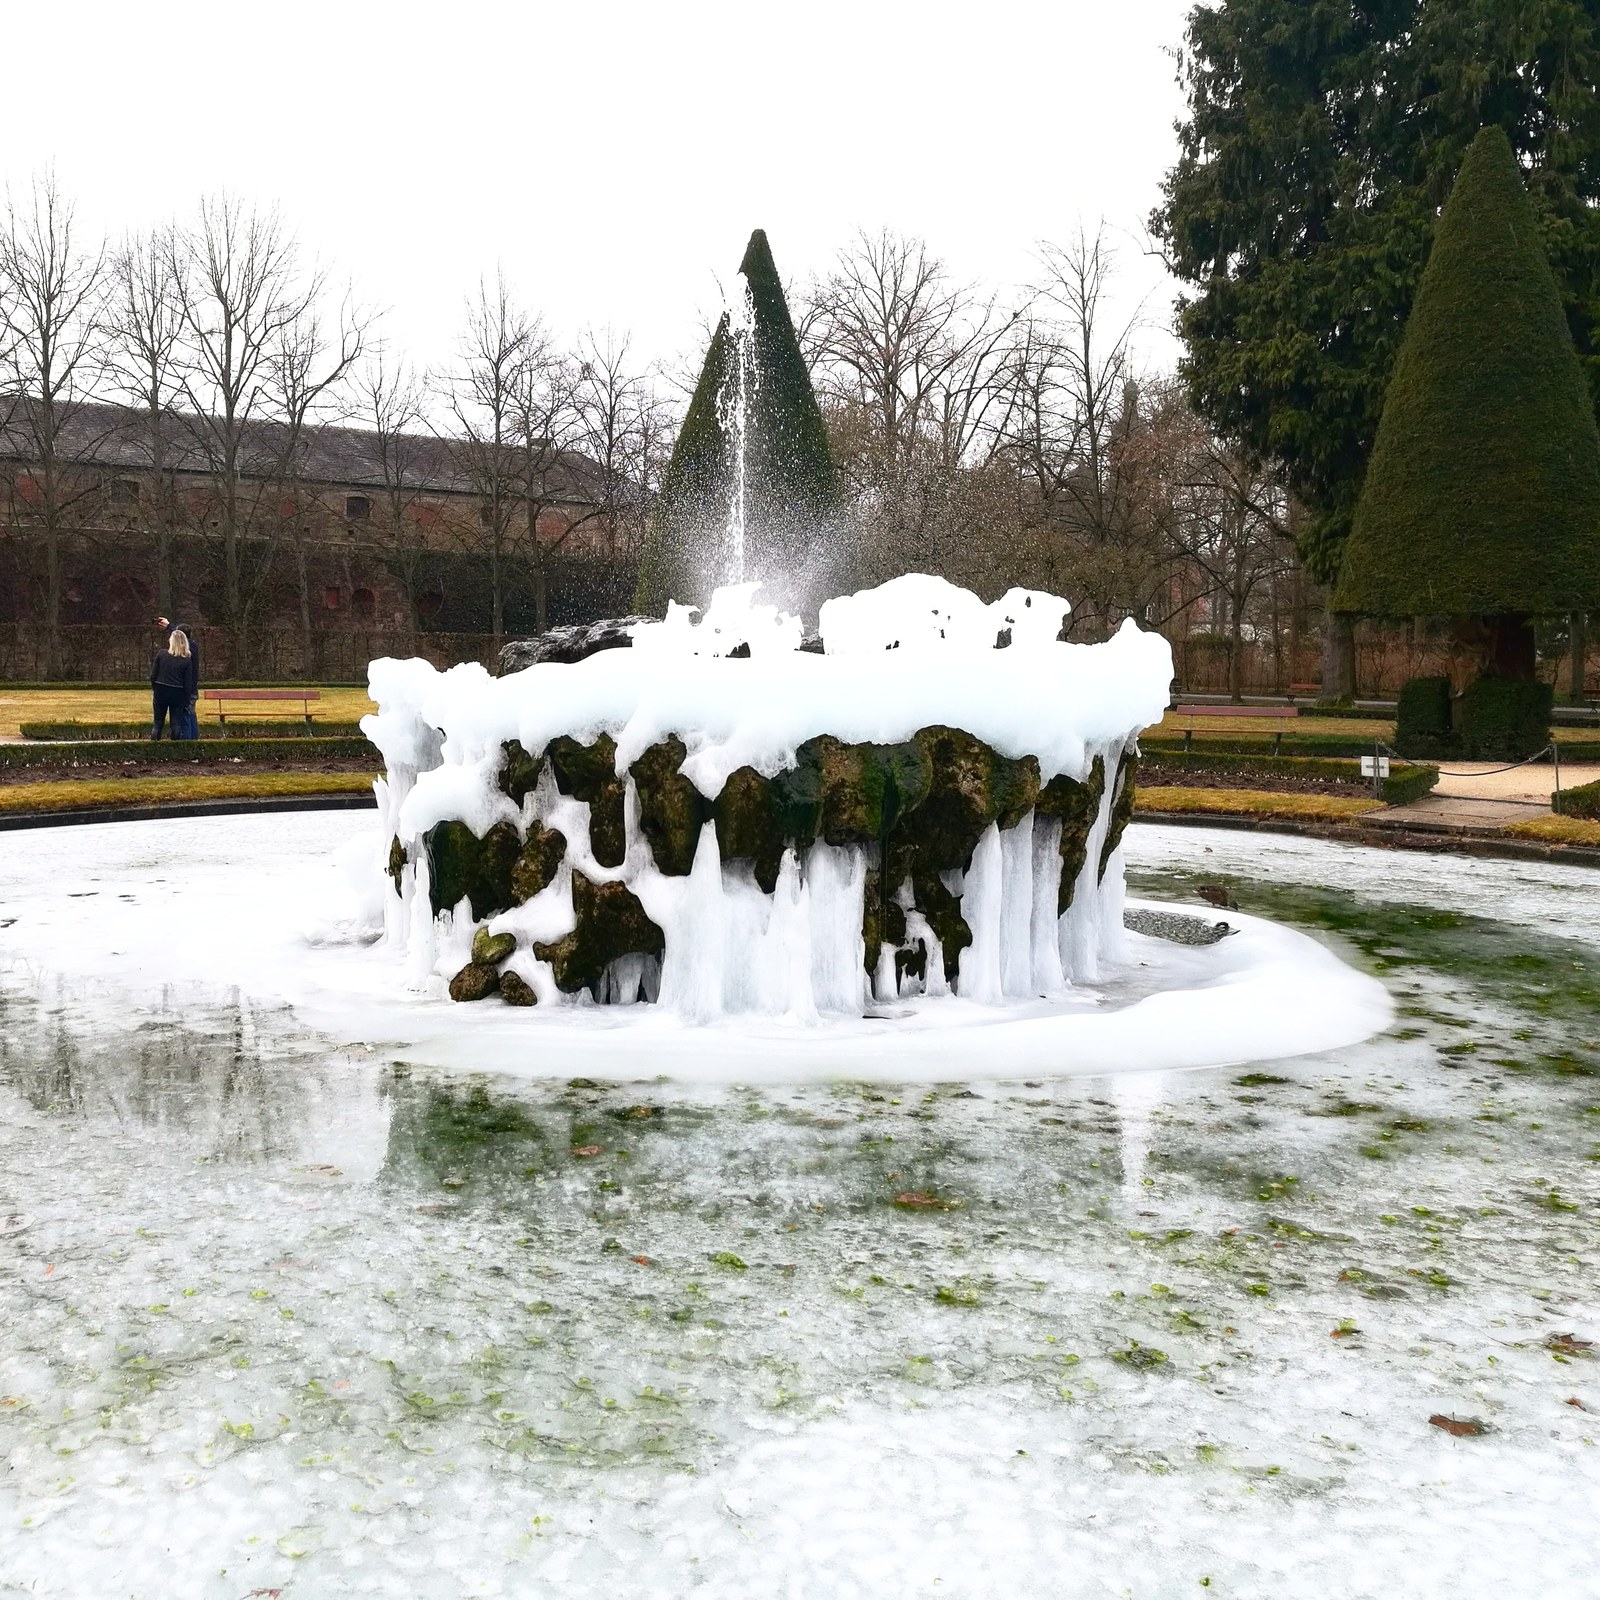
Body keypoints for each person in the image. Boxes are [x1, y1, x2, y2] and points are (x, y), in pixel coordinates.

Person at [156, 615, 202, 738]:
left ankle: (187, 743)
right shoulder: (193, 645)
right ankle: (193, 740)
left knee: (185, 718)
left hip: (188, 689)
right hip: (192, 688)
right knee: (190, 715)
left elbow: (178, 637)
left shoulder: (188, 650)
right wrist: (169, 626)